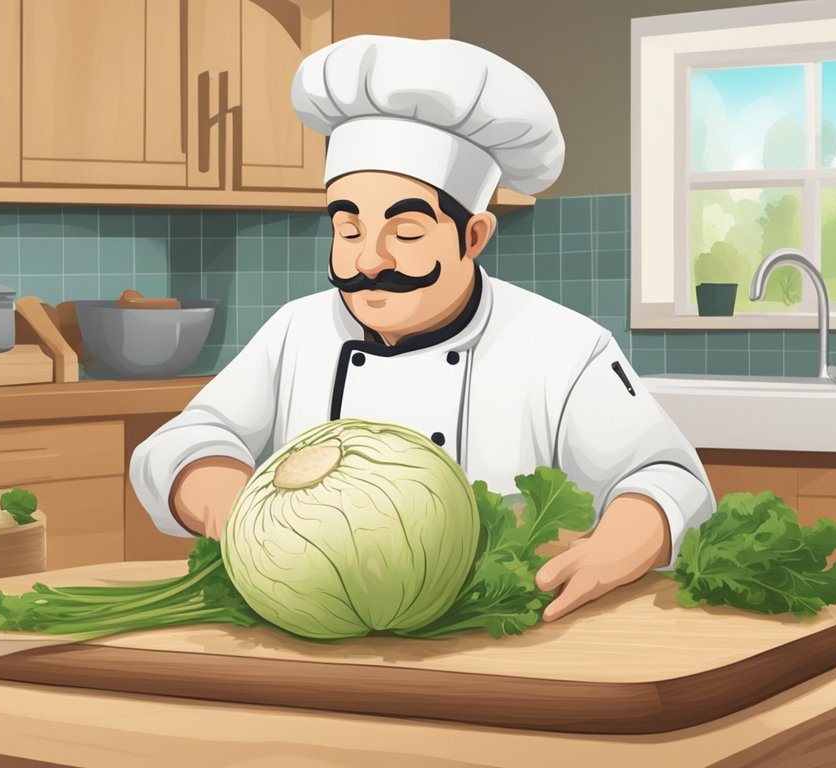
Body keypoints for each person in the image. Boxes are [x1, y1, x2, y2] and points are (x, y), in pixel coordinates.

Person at [132, 35, 715, 622]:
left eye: (406, 233)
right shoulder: (298, 330)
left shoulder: (561, 346)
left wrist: (616, 548)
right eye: (349, 230)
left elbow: (667, 479)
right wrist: (238, 512)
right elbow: (183, 442)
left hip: (498, 632)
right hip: (311, 626)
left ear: (474, 237)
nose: (369, 260)